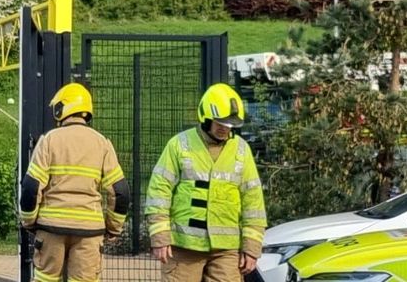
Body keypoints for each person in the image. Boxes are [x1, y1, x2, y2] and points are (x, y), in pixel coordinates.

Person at [145, 83, 267, 282]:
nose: (225, 129)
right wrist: (160, 237)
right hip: (184, 247)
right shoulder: (179, 145)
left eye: (230, 125)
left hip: (226, 251)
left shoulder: (241, 150)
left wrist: (251, 248)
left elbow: (253, 202)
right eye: (220, 123)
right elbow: (159, 192)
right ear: (206, 118)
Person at [20, 83, 131, 282]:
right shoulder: (102, 143)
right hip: (89, 232)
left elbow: (31, 187)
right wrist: (113, 228)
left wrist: (29, 221)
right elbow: (120, 191)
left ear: (61, 108)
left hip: (50, 228)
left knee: (46, 279)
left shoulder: (49, 141)